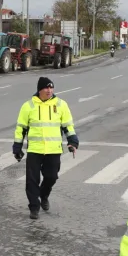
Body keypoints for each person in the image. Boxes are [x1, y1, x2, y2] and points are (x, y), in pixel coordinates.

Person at [13, 76, 79, 219]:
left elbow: (68, 126)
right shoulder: (28, 106)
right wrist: (17, 147)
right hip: (35, 150)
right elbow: (21, 128)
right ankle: (34, 207)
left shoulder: (61, 105)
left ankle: (44, 195)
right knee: (32, 180)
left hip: (53, 149)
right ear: (39, 90)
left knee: (51, 177)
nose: (49, 90)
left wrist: (73, 142)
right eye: (46, 88)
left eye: (51, 88)